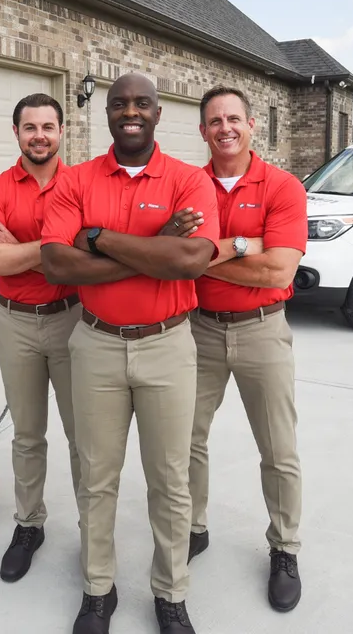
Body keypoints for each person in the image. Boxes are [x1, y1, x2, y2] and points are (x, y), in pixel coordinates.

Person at [41, 72, 219, 634]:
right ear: (108, 114)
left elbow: (190, 262)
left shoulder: (190, 180)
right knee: (97, 475)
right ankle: (98, 589)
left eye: (142, 103)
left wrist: (97, 238)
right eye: (120, 104)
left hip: (168, 344)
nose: (131, 112)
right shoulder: (76, 180)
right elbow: (55, 265)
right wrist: (157, 243)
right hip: (95, 343)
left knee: (169, 478)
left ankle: (170, 594)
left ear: (159, 113)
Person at [185, 87, 308, 613]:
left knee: (278, 449)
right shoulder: (188, 186)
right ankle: (191, 527)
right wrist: (244, 244)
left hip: (263, 328)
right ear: (203, 130)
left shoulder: (282, 186)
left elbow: (279, 269)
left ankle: (285, 548)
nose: (225, 128)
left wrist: (207, 254)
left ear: (252, 125)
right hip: (198, 329)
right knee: (184, 439)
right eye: (215, 121)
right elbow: (178, 259)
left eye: (234, 119)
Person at [0, 93, 83, 583]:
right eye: (29, 127)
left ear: (61, 132)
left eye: (48, 126)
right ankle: (29, 524)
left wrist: (20, 248)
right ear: (16, 132)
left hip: (73, 320)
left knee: (85, 438)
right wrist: (53, 249)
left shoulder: (82, 186)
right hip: (14, 321)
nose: (40, 135)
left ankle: (92, 532)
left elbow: (85, 257)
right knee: (27, 435)